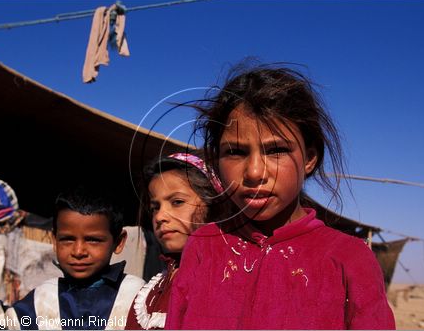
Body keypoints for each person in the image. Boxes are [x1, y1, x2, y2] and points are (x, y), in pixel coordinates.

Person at [166, 64, 396, 329]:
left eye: (275, 150)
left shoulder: (350, 259)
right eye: (235, 152)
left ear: (309, 158)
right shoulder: (203, 247)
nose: (254, 172)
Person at [5, 186, 145, 330]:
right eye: (67, 239)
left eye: (93, 240)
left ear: (119, 242)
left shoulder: (138, 298)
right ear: (54, 240)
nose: (78, 252)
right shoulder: (37, 302)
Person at [125, 152, 223, 330]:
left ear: (213, 205)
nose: (160, 216)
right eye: (155, 207)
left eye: (177, 202)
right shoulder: (149, 292)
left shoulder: (225, 280)